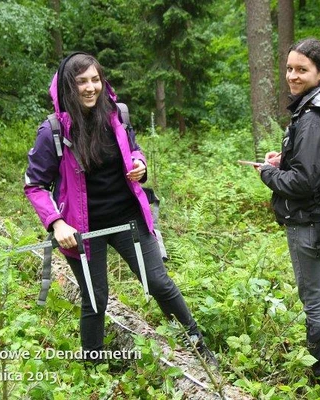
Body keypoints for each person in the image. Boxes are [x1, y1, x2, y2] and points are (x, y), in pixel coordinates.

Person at [24, 52, 215, 364]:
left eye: (95, 79)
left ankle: (197, 345)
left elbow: (134, 150)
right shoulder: (53, 131)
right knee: (96, 301)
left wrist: (139, 163)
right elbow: (34, 184)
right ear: (68, 87)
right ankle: (94, 367)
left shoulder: (117, 115)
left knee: (158, 283)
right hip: (81, 230)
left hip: (128, 219)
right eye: (81, 81)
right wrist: (56, 223)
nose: (90, 87)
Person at [258, 38, 320, 395]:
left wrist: (267, 175)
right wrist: (283, 160)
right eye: (289, 68)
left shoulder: (314, 116)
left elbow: (303, 182)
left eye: (302, 69)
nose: (293, 76)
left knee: (314, 302)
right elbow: (318, 166)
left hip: (309, 223)